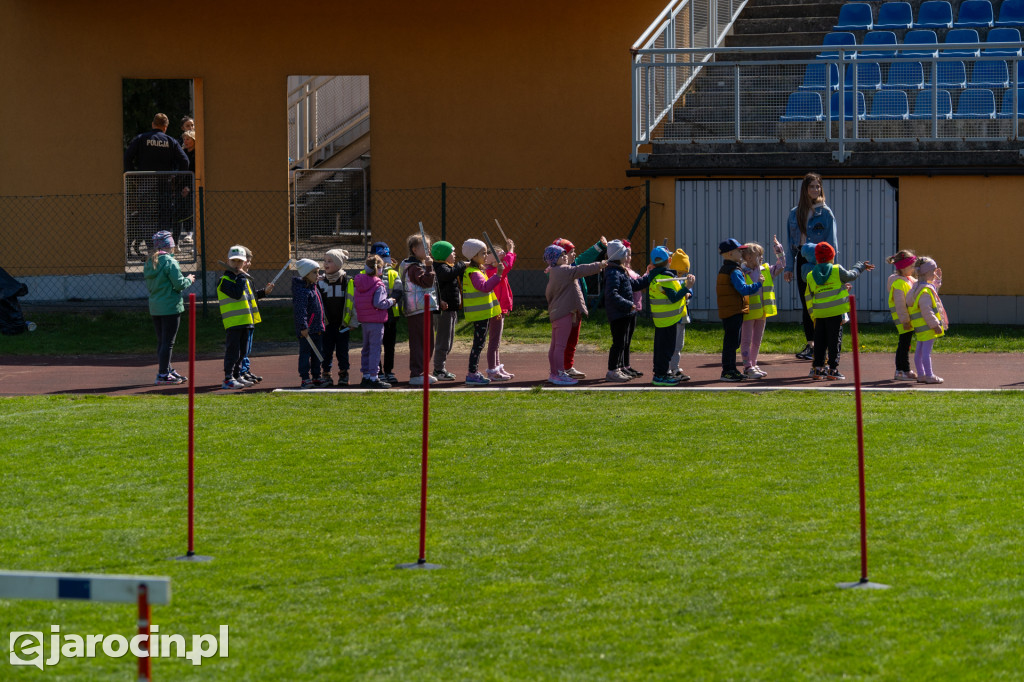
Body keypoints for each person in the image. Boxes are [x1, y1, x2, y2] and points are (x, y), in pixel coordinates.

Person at [784, 173, 838, 361]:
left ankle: (825, 345)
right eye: (812, 187)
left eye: (818, 186)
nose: (815, 190)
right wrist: (789, 267)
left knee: (821, 302)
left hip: (821, 263)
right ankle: (811, 345)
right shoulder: (794, 213)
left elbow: (832, 244)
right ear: (804, 190)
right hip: (802, 261)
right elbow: (791, 242)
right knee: (807, 303)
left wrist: (832, 269)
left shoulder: (826, 212)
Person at [804, 242, 874, 381]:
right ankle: (833, 369)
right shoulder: (837, 270)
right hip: (836, 313)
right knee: (834, 341)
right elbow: (851, 275)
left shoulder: (811, 275)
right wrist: (860, 266)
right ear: (832, 257)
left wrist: (813, 315)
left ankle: (818, 369)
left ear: (817, 258)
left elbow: (809, 296)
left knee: (820, 341)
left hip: (819, 314)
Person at [124, 113, 191, 256]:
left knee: (146, 217)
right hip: (164, 184)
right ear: (165, 127)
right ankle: (163, 251)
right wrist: (177, 180)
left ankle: (150, 250)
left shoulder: (141, 138)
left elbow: (127, 157)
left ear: (153, 124)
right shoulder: (171, 141)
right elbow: (185, 161)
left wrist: (133, 177)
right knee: (164, 218)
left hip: (145, 183)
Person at [544, 244, 606, 386]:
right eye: (561, 255)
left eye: (565, 254)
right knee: (560, 346)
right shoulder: (565, 270)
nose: (565, 256)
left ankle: (554, 373)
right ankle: (559, 373)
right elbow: (582, 269)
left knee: (555, 346)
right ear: (554, 259)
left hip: (557, 313)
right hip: (564, 312)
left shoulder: (554, 271)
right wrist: (600, 265)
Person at [143, 230, 194, 385]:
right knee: (168, 342)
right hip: (170, 306)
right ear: (170, 246)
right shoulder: (170, 262)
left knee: (162, 341)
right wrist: (189, 279)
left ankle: (167, 369)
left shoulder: (150, 262)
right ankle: (163, 373)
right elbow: (179, 284)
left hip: (156, 307)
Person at [603, 239, 653, 382]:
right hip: (619, 314)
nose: (628, 256)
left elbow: (635, 285)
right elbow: (612, 294)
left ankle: (621, 368)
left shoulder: (621, 271)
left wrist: (650, 276)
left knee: (624, 342)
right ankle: (613, 370)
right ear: (619, 255)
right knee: (618, 343)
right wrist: (628, 304)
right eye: (626, 253)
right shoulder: (613, 272)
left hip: (626, 313)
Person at [739, 237, 786, 378]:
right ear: (748, 257)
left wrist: (779, 250)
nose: (762, 257)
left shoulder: (766, 269)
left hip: (763, 312)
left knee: (757, 341)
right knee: (746, 340)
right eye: (758, 255)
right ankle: (747, 366)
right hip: (748, 312)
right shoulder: (742, 272)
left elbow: (782, 265)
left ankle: (753, 363)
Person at [717, 238, 762, 382]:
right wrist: (757, 284)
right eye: (738, 250)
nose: (741, 252)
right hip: (733, 310)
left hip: (729, 309)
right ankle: (728, 371)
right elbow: (742, 289)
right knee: (731, 342)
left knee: (732, 341)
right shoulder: (734, 271)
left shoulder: (726, 268)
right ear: (730, 253)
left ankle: (731, 369)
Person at [648, 246, 695, 386]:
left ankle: (660, 373)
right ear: (669, 260)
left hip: (662, 318)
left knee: (662, 347)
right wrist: (687, 286)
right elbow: (674, 297)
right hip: (668, 319)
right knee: (666, 348)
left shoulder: (657, 275)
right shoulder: (665, 278)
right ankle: (661, 375)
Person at [462, 239, 504, 386]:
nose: (486, 256)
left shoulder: (477, 270)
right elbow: (484, 287)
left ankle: (473, 372)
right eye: (483, 253)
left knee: (479, 344)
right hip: (480, 314)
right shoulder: (474, 273)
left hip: (483, 313)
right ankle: (472, 373)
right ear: (473, 256)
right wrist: (498, 275)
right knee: (478, 344)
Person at [400, 234, 439, 386]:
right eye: (425, 247)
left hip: (424, 307)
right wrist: (429, 267)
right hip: (417, 309)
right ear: (414, 249)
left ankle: (422, 371)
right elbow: (427, 282)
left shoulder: (419, 265)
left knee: (428, 341)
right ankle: (417, 373)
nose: (429, 250)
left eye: (429, 247)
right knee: (420, 342)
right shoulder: (414, 267)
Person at [354, 254, 397, 389]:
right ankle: (374, 377)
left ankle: (366, 375)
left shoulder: (359, 282)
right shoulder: (379, 285)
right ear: (379, 269)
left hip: (365, 321)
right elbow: (379, 303)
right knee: (375, 349)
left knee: (366, 348)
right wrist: (390, 301)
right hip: (376, 321)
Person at [236, 246, 274, 385]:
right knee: (242, 348)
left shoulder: (247, 279)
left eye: (249, 261)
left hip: (250, 319)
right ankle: (240, 371)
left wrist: (264, 292)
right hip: (241, 320)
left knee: (247, 347)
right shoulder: (237, 279)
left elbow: (253, 296)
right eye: (247, 261)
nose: (249, 264)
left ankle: (245, 370)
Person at [318, 249, 355, 386]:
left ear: (339, 264)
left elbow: (353, 302)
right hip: (326, 324)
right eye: (325, 261)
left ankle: (344, 373)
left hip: (342, 325)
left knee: (342, 351)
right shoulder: (320, 281)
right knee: (326, 350)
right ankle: (326, 374)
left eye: (330, 261)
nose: (325, 264)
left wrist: (352, 321)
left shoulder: (347, 281)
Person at [431, 240, 467, 381]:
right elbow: (448, 274)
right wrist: (462, 265)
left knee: (449, 340)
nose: (455, 254)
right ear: (443, 255)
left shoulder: (448, 267)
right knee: (443, 340)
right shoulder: (440, 267)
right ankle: (438, 369)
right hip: (444, 311)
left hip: (451, 309)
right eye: (452, 252)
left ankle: (441, 367)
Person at [908, 257, 947, 384]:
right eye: (934, 272)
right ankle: (929, 375)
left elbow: (933, 288)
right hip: (927, 326)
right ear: (928, 272)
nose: (935, 274)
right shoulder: (925, 291)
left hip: (919, 326)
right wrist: (935, 324)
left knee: (919, 351)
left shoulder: (916, 287)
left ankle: (921, 374)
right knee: (926, 353)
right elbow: (927, 310)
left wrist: (938, 280)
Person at [292, 258, 329, 389]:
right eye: (314, 272)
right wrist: (303, 326)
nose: (317, 275)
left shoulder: (314, 288)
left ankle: (316, 376)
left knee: (317, 353)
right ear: (306, 274)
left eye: (318, 272)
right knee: (305, 354)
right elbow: (300, 311)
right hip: (307, 330)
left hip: (317, 328)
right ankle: (305, 378)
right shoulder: (302, 291)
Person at [484, 237, 517, 381]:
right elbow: (507, 265)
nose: (500, 254)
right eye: (495, 253)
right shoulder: (493, 272)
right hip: (495, 309)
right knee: (494, 342)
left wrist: (507, 252)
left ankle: (497, 367)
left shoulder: (495, 269)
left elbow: (506, 264)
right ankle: (492, 369)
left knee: (496, 341)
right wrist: (510, 250)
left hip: (499, 308)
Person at [370, 242, 401, 383]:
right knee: (375, 345)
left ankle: (389, 371)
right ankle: (378, 371)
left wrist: (391, 301)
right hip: (373, 315)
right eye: (381, 257)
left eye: (385, 256)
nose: (384, 260)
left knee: (390, 345)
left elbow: (399, 290)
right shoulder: (366, 274)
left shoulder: (393, 273)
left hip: (391, 314)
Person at [886, 249, 918, 380]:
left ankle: (903, 369)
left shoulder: (908, 279)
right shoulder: (899, 283)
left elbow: (921, 285)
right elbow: (899, 305)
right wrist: (905, 320)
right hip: (904, 320)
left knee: (905, 344)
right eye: (911, 266)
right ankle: (902, 370)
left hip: (908, 319)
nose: (913, 269)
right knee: (904, 345)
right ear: (903, 267)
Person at [667, 248, 693, 381]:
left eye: (684, 272)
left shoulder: (683, 280)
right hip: (674, 317)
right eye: (680, 271)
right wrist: (685, 290)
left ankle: (674, 366)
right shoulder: (670, 280)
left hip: (682, 316)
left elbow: (689, 290)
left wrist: (689, 291)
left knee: (679, 344)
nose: (682, 274)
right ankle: (671, 368)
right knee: (672, 344)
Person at [620, 246, 647, 378]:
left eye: (630, 255)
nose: (629, 258)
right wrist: (649, 275)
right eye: (627, 255)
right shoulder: (623, 272)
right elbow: (637, 283)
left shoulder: (628, 271)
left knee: (628, 340)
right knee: (622, 340)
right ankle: (621, 366)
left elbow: (639, 281)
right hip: (626, 308)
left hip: (633, 308)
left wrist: (647, 274)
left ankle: (626, 365)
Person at [178, 116, 197, 245]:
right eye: (188, 125)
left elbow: (195, 171)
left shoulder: (197, 152)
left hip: (193, 185)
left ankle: (190, 234)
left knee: (191, 210)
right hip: (182, 185)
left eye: (192, 125)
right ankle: (181, 235)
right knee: (182, 210)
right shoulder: (181, 150)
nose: (191, 127)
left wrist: (189, 187)